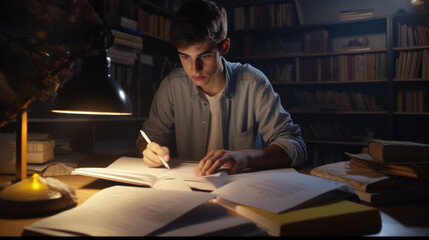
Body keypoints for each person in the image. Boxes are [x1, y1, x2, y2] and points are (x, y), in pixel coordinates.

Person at [137, 0, 307, 176]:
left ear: (224, 47)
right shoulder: (172, 86)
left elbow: (295, 145)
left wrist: (245, 157)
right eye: (185, 56)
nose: (194, 69)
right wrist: (149, 150)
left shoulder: (253, 82)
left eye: (205, 55)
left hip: (243, 192)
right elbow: (146, 138)